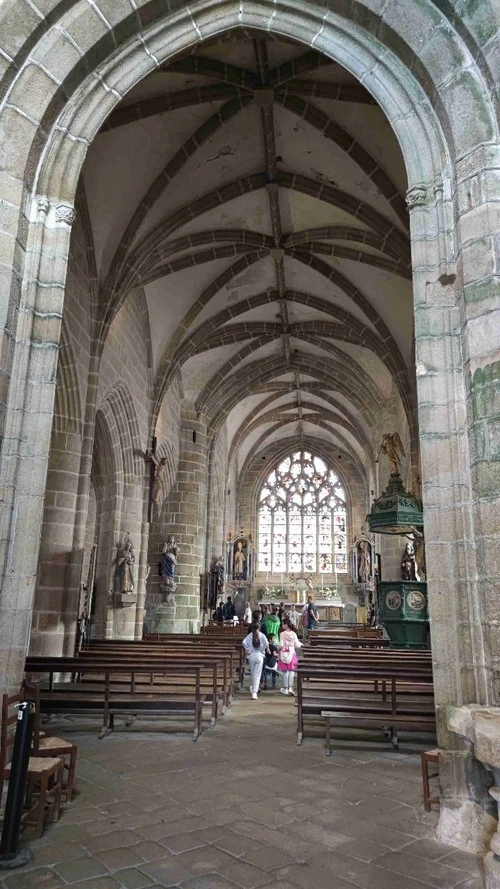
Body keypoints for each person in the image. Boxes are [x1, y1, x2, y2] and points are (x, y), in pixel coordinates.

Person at [242, 621, 269, 699]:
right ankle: (254, 692)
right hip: (260, 656)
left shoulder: (249, 636)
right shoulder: (262, 635)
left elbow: (243, 642)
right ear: (259, 627)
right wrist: (262, 649)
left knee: (253, 674)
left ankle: (253, 688)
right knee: (257, 675)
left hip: (252, 656)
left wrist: (249, 649)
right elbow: (266, 643)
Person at [277, 617, 302, 696]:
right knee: (291, 671)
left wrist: (277, 648)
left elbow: (281, 645)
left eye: (283, 624)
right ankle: (291, 687)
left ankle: (285, 688)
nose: (282, 625)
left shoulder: (282, 634)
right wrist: (303, 645)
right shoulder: (294, 634)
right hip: (292, 652)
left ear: (286, 625)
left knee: (285, 671)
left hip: (284, 653)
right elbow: (297, 645)